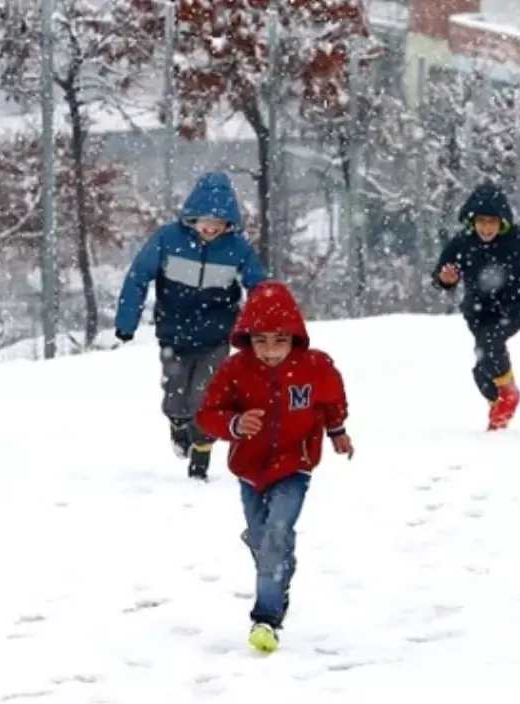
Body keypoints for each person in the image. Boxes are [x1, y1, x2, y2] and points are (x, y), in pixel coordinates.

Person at [195, 281, 352, 654]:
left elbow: (332, 399)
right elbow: (208, 413)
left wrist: (337, 431)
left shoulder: (315, 367)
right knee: (262, 537)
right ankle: (277, 565)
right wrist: (234, 424)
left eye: (279, 341)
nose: (269, 351)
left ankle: (266, 617)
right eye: (261, 341)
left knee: (277, 531)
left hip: (294, 464)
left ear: (294, 338)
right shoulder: (236, 370)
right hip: (250, 469)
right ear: (248, 339)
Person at [114, 172, 267, 480]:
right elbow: (138, 277)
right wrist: (126, 321)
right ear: (192, 217)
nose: (211, 227)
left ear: (230, 223)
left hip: (216, 336)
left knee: (206, 397)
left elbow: (260, 288)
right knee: (175, 395)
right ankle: (178, 424)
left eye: (220, 222)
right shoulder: (168, 240)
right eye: (205, 220)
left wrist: (265, 327)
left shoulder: (237, 249)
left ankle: (202, 450)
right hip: (174, 333)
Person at [431, 181, 520, 430]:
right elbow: (442, 272)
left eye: (492, 222)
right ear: (472, 221)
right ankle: (498, 401)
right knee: (482, 367)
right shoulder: (463, 243)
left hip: (516, 305)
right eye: (481, 221)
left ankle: (509, 395)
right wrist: (445, 279)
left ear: (503, 222)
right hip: (479, 309)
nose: (486, 228)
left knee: (491, 342)